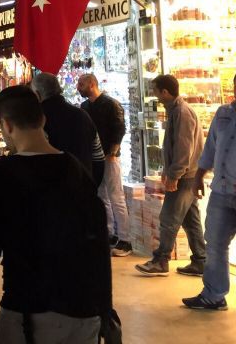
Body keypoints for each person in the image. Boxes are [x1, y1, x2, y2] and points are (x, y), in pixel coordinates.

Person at [0, 85, 111, 343]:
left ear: (6, 125)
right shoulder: (75, 168)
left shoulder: (4, 173)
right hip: (83, 309)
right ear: (43, 119)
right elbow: (99, 242)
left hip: (28, 310)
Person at [136, 74, 207, 276]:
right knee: (190, 219)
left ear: (165, 92)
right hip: (187, 174)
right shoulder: (175, 111)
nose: (154, 95)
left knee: (169, 217)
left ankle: (161, 260)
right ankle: (201, 260)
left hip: (185, 176)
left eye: (155, 91)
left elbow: (184, 149)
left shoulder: (182, 113)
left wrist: (174, 175)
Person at [182, 74, 236, 311]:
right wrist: (199, 176)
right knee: (214, 243)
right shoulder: (223, 114)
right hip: (222, 192)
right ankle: (214, 295)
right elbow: (211, 147)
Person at [77, 73, 132, 257]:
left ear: (92, 84)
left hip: (109, 157)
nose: (79, 86)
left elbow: (119, 128)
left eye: (82, 83)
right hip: (94, 159)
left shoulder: (111, 104)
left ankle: (125, 239)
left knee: (116, 196)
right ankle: (108, 234)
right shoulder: (84, 107)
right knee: (101, 196)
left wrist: (113, 152)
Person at [31, 72, 105, 186]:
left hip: (51, 193)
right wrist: (91, 187)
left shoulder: (37, 120)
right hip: (83, 189)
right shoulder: (83, 116)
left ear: (37, 94)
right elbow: (98, 158)